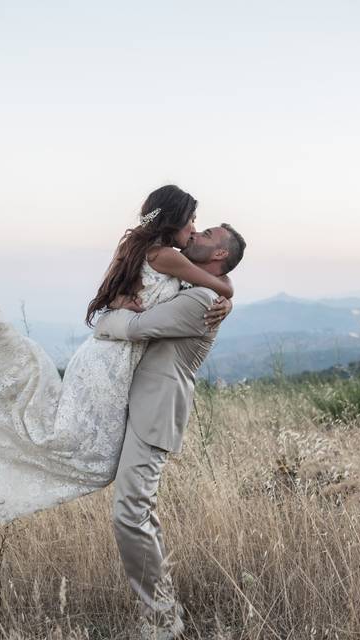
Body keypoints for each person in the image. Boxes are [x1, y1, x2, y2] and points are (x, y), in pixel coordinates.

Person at [0, 185, 234, 523]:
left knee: (71, 439)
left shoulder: (133, 246)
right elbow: (219, 284)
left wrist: (117, 304)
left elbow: (109, 293)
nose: (194, 228)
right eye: (191, 220)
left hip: (99, 355)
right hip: (114, 360)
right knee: (88, 456)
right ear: (174, 219)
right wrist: (228, 298)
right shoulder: (167, 255)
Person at [93, 223, 247, 638]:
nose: (196, 234)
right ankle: (163, 611)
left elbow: (138, 328)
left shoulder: (201, 299)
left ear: (219, 255)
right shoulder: (192, 284)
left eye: (208, 233)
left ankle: (160, 619)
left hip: (156, 411)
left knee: (130, 513)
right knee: (138, 510)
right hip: (140, 407)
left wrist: (104, 321)